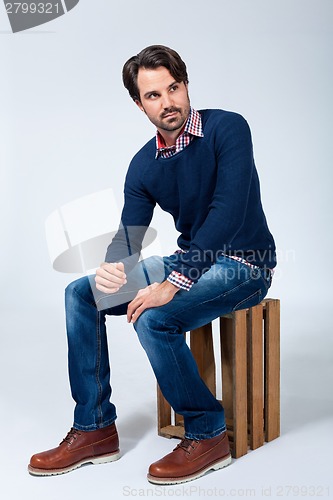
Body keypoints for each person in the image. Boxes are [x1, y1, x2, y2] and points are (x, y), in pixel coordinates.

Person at [28, 45, 276, 484]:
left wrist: (175, 282)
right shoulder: (143, 165)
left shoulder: (227, 128)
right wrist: (112, 270)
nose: (168, 103)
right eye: (153, 96)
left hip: (244, 264)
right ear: (138, 103)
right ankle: (95, 428)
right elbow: (129, 238)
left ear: (185, 84)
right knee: (81, 294)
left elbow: (229, 212)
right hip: (188, 261)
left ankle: (207, 430)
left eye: (173, 88)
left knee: (155, 317)